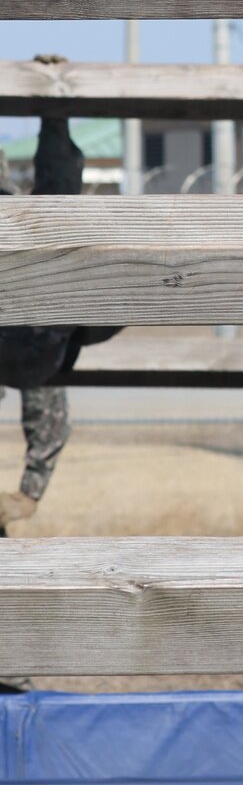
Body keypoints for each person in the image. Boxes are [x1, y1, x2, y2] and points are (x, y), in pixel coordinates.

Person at [0, 120, 118, 542]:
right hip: (40, 330)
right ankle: (55, 117)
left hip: (41, 327)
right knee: (54, 212)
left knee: (53, 214)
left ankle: (55, 117)